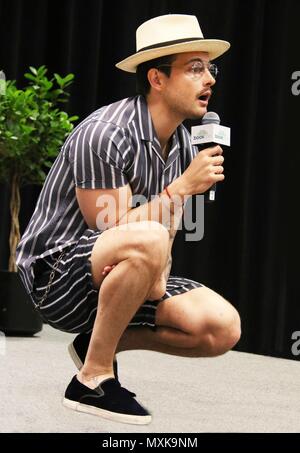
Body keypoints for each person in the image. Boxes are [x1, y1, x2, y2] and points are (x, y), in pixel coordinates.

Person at [16, 14, 241, 425]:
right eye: (195, 68)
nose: (209, 79)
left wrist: (155, 282)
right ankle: (92, 380)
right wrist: (180, 189)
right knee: (147, 238)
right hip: (57, 275)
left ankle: (97, 343)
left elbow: (166, 229)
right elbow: (112, 226)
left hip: (126, 267)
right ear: (157, 79)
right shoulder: (106, 133)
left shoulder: (185, 145)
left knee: (221, 327)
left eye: (211, 68)